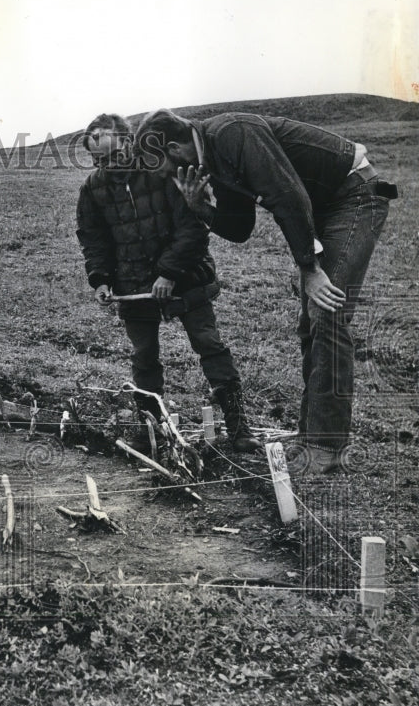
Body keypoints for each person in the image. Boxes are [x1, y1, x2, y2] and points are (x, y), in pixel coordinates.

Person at [135, 108, 397, 473]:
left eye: (160, 166)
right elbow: (240, 227)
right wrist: (199, 207)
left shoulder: (233, 134)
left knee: (327, 312)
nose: (164, 176)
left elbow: (289, 197)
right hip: (321, 207)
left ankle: (326, 447)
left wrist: (311, 268)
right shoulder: (211, 157)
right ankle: (312, 436)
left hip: (353, 196)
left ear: (177, 148)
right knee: (313, 320)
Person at [75, 113, 260, 453]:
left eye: (114, 155)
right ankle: (153, 432)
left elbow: (193, 228)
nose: (108, 165)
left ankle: (239, 428)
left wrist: (169, 273)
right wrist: (99, 279)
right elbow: (93, 238)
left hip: (187, 278)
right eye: (98, 159)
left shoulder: (166, 172)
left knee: (209, 345)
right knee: (144, 357)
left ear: (130, 143)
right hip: (133, 287)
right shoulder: (93, 188)